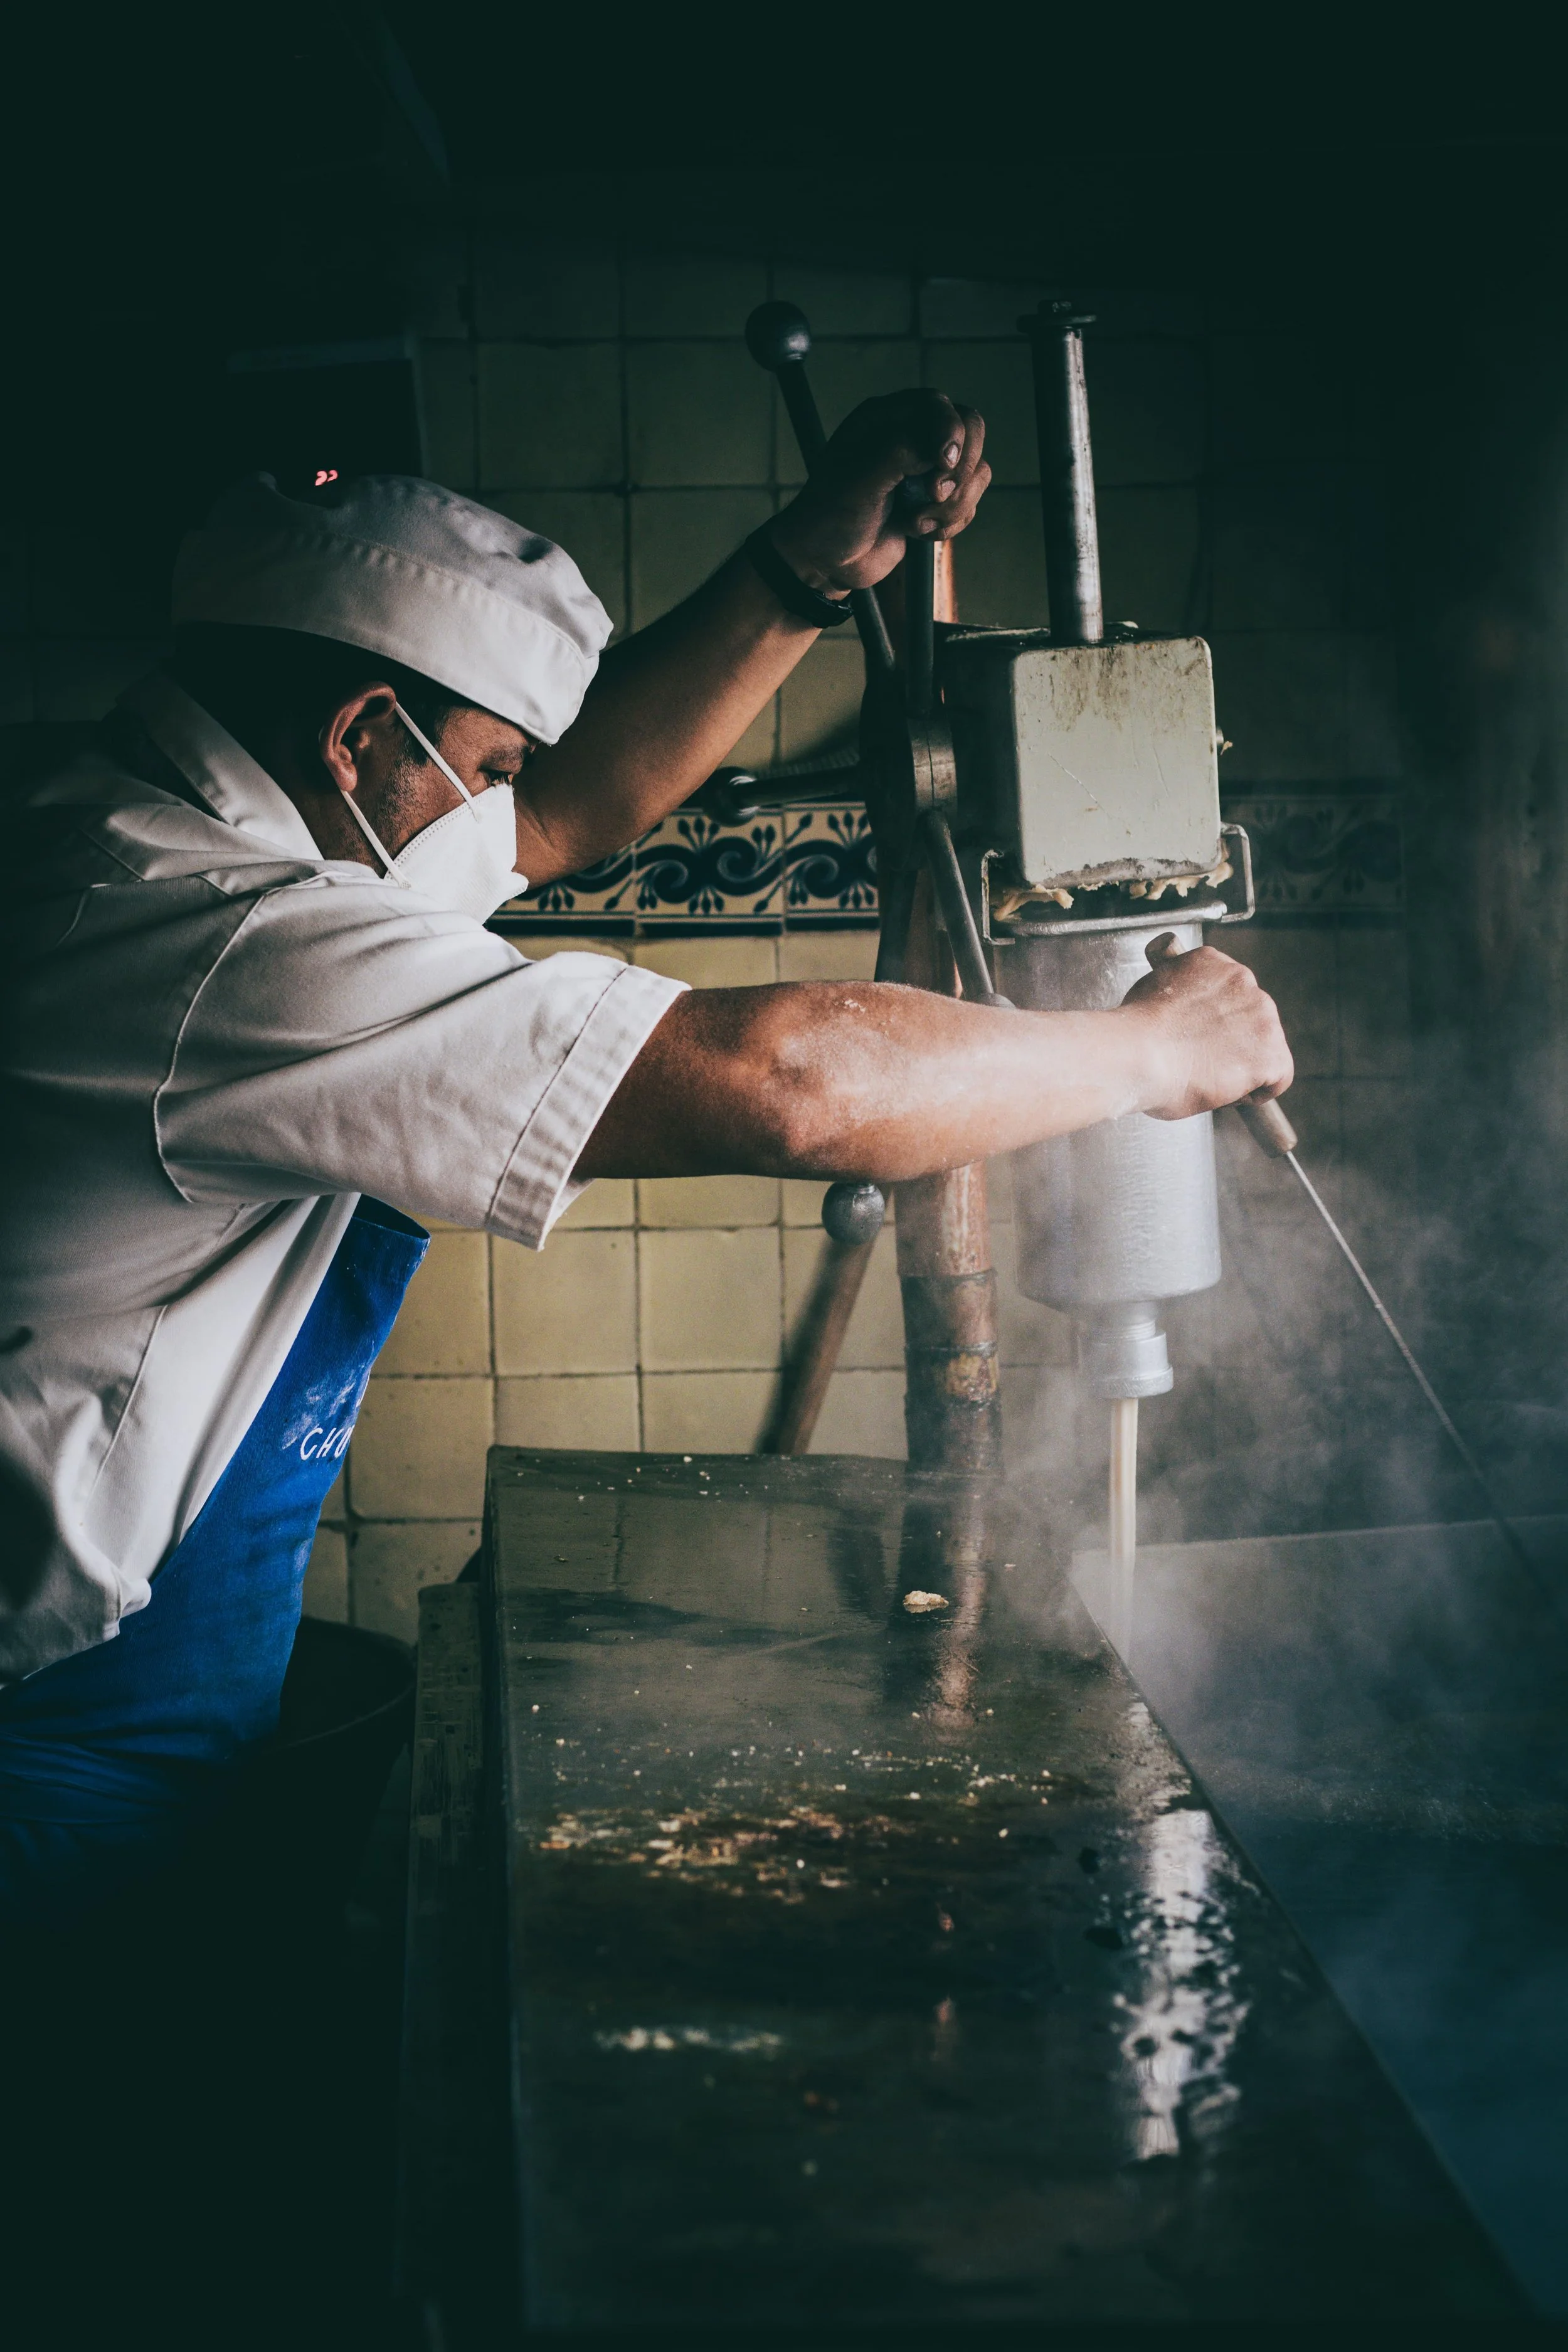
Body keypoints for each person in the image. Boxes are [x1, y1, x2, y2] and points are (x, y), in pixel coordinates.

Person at [0, 389, 1291, 1917]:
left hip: (147, 1699)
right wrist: (1153, 1054)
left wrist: (802, 573)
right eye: (470, 766)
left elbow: (562, 805)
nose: (493, 810)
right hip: (54, 1743)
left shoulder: (190, 828)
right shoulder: (222, 943)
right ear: (358, 737)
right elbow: (783, 1084)